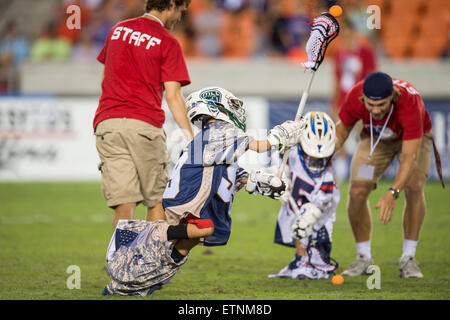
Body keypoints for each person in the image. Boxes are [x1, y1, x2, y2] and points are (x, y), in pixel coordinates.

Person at [102, 86, 306, 296]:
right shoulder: (219, 130)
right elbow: (259, 146)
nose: (237, 110)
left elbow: (230, 173)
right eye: (232, 105)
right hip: (186, 201)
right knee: (204, 228)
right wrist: (279, 137)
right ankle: (156, 235)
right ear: (216, 106)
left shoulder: (212, 138)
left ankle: (151, 275)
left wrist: (258, 181)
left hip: (186, 200)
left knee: (195, 237)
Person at [94, 0, 195, 230]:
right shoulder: (168, 42)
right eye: (180, 10)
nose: (179, 17)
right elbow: (173, 96)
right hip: (143, 125)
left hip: (108, 124)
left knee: (124, 202)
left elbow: (104, 79)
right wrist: (190, 136)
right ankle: (151, 262)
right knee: (156, 200)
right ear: (171, 4)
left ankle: (122, 262)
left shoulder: (117, 30)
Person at [335, 71, 437, 278]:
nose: (375, 110)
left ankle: (408, 258)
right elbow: (342, 132)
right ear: (362, 98)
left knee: (414, 186)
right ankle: (363, 258)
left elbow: (409, 158)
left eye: (381, 105)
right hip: (376, 141)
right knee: (357, 191)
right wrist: (322, 157)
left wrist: (393, 192)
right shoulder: (355, 96)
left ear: (393, 97)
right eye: (370, 105)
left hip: (413, 140)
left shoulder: (410, 102)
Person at [269, 112, 341, 280]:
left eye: (320, 159)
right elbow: (278, 162)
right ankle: (300, 260)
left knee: (309, 224)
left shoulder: (327, 177)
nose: (315, 162)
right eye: (311, 157)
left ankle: (314, 264)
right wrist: (281, 179)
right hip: (296, 198)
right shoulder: (292, 152)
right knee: (296, 222)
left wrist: (311, 214)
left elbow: (324, 201)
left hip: (320, 207)